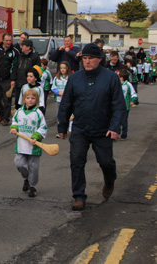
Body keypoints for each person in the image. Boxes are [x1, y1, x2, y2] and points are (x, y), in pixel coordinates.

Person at [57, 43, 126, 211]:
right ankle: (79, 196)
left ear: (99, 60)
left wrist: (115, 126)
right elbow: (66, 104)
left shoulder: (110, 78)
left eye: (91, 59)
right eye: (85, 58)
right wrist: (62, 126)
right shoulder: (75, 78)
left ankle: (110, 180)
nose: (87, 62)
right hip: (80, 128)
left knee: (106, 162)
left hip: (102, 129)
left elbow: (118, 105)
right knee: (76, 161)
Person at [10, 89, 48, 198]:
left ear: (36, 100)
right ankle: (26, 178)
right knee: (19, 163)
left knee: (33, 167)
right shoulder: (19, 112)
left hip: (34, 146)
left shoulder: (38, 113)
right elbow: (15, 121)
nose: (30, 100)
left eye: (32, 98)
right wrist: (14, 127)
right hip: (21, 145)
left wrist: (36, 136)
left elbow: (43, 127)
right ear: (24, 99)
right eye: (28, 98)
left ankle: (32, 186)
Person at [0, 33, 19, 125]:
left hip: (8, 79)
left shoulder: (14, 52)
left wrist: (13, 79)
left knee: (7, 99)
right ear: (3, 40)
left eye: (10, 40)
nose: (8, 42)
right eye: (7, 40)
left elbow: (15, 66)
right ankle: (0, 114)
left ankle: (6, 118)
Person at [11, 39, 41, 110]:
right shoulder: (20, 56)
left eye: (23, 45)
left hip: (29, 85)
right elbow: (15, 68)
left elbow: (37, 71)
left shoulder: (35, 56)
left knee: (29, 103)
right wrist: (13, 79)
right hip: (19, 84)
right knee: (18, 102)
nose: (21, 47)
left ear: (28, 47)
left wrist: (33, 81)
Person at [52, 61, 71, 138]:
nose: (63, 70)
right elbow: (53, 88)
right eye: (61, 68)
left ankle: (69, 130)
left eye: (64, 68)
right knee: (59, 115)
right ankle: (60, 131)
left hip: (68, 100)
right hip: (59, 99)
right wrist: (59, 93)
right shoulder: (57, 78)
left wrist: (66, 93)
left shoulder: (70, 78)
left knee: (69, 115)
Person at [118, 69, 138, 140]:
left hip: (125, 106)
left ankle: (124, 134)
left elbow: (134, 94)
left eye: (118, 76)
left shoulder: (128, 85)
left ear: (122, 78)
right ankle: (116, 133)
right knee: (116, 120)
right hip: (117, 106)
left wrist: (133, 100)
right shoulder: (116, 84)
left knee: (123, 121)